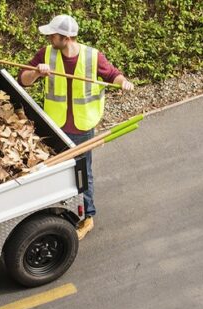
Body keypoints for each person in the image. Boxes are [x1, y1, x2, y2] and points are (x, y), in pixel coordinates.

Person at [19, 14, 134, 240]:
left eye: (53, 34)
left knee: (81, 173)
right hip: (54, 125)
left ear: (66, 37)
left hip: (82, 127)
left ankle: (87, 216)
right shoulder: (46, 55)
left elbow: (112, 75)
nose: (49, 37)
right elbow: (23, 80)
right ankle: (59, 211)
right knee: (52, 171)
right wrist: (36, 72)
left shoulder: (93, 56)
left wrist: (124, 83)